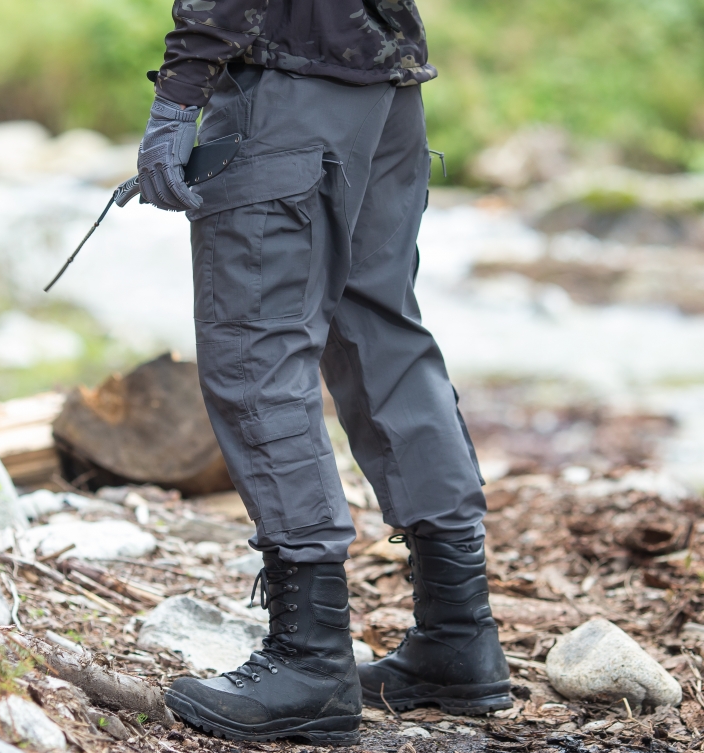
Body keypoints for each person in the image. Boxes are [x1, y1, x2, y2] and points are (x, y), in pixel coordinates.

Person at [137, 1, 511, 745]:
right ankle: (459, 634)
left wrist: (180, 92)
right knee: (381, 334)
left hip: (291, 81)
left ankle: (309, 661)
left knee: (256, 346)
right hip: (385, 80)